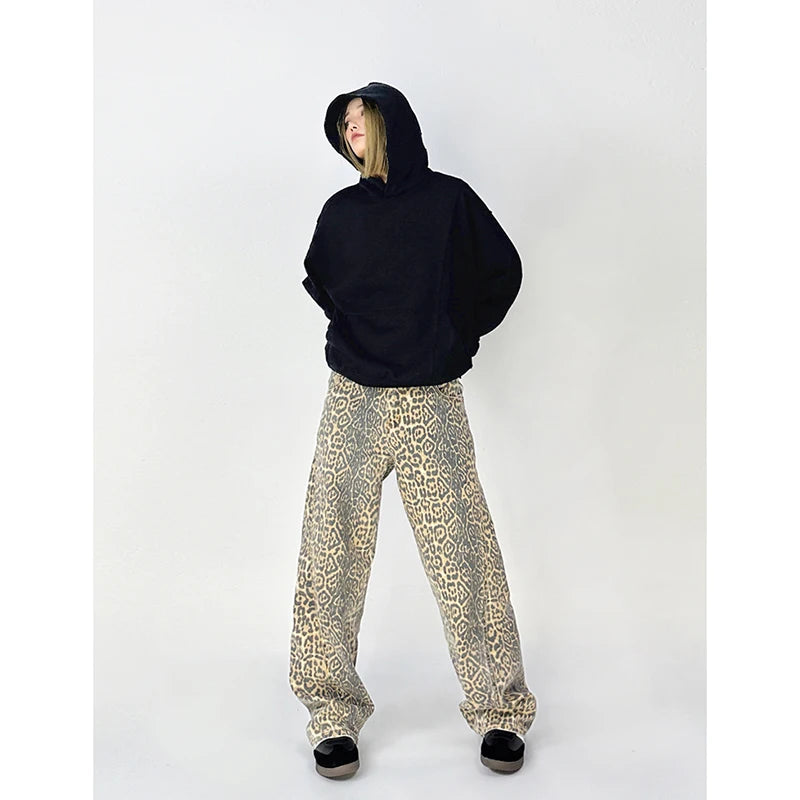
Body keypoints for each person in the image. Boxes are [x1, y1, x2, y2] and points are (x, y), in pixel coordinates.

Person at [288, 81, 538, 779]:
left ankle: (499, 709)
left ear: (390, 121)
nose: (350, 128)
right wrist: (363, 334)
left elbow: (502, 272)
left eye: (359, 117)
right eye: (342, 123)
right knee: (331, 546)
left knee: (463, 550)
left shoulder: (449, 202)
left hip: (431, 401)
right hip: (354, 400)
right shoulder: (340, 213)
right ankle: (331, 714)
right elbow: (323, 282)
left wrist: (455, 335)